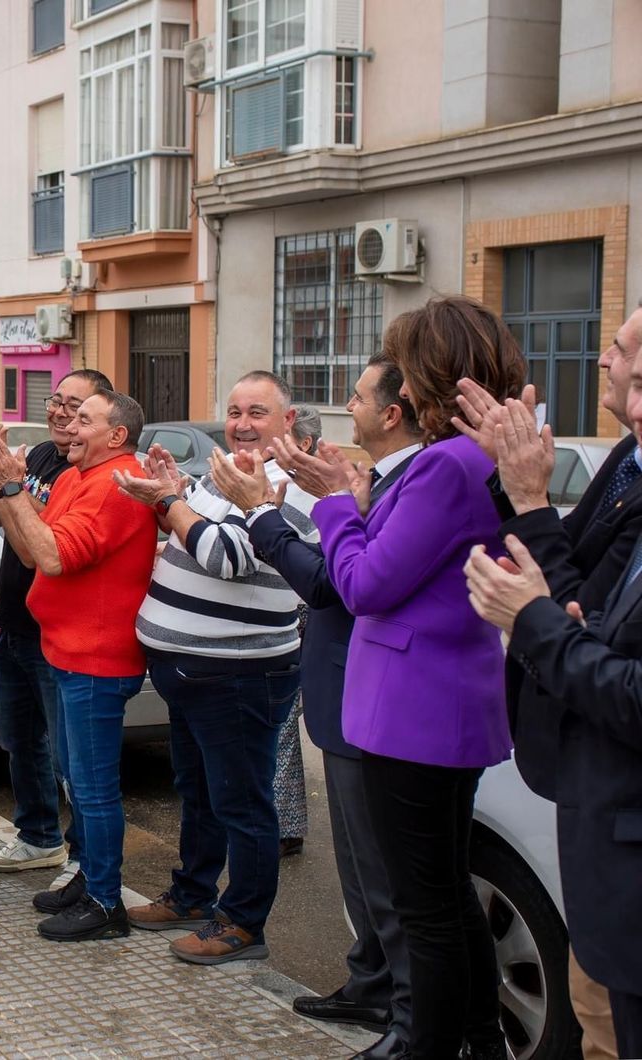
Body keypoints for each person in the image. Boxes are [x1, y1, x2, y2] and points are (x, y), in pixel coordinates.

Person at [278, 295, 525, 1060]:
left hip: (417, 711)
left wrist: (331, 508)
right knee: (449, 896)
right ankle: (481, 1042)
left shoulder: (447, 465)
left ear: (427, 376)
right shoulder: (470, 459)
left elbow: (364, 586)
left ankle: (424, 1043)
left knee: (428, 908)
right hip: (442, 704)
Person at [208, 354, 424, 1056]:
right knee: (357, 867)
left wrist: (265, 514)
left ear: (392, 412)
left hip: (373, 694)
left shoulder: (390, 483)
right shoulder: (362, 478)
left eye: (358, 396)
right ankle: (369, 983)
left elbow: (331, 584)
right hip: (339, 687)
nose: (349, 408)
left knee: (391, 877)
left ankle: (408, 1014)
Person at [455, 303, 642, 1060]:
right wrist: (516, 490)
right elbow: (577, 578)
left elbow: (581, 611)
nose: (604, 361)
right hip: (596, 816)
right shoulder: (625, 461)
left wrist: (535, 615)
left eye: (625, 352)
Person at [112, 370, 315, 965]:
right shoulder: (228, 473)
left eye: (257, 412)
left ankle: (243, 924)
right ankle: (192, 895)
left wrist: (172, 503)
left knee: (244, 804)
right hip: (194, 672)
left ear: (288, 421)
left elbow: (223, 555)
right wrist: (173, 494)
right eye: (234, 411)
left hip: (239, 676)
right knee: (198, 793)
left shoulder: (291, 485)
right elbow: (189, 536)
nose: (242, 424)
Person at [0, 392, 157, 941]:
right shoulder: (80, 475)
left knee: (94, 789)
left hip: (98, 659)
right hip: (65, 650)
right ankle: (90, 877)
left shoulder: (117, 484)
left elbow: (51, 556)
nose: (68, 426)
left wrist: (10, 486)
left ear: (116, 435)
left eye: (83, 419)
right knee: (77, 779)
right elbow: (30, 549)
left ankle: (105, 900)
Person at [0, 368, 114, 877]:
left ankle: (85, 858)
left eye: (75, 406)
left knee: (74, 760)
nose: (60, 412)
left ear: (100, 417)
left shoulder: (91, 472)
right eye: (56, 401)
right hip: (16, 624)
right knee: (17, 736)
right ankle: (38, 837)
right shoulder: (45, 456)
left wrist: (11, 483)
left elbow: (43, 543)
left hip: (61, 632)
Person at [274, 405, 324, 860]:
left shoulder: (310, 488)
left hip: (299, 608)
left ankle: (285, 823)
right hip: (293, 606)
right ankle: (283, 822)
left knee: (284, 713)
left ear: (303, 444)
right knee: (284, 715)